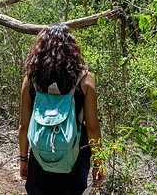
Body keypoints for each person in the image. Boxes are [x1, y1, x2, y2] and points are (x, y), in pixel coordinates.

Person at [18, 24, 105, 195]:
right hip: (75, 157)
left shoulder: (31, 78)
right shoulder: (85, 80)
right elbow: (93, 128)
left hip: (40, 155)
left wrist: (23, 160)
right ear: (72, 48)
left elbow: (24, 126)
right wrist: (97, 163)